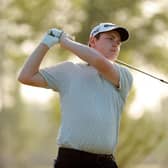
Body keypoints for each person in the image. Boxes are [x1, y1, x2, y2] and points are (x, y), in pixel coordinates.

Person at [18, 22, 133, 168]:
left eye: (118, 42)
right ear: (92, 41)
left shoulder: (123, 74)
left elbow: (98, 61)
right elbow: (26, 76)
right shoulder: (68, 70)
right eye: (110, 38)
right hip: (69, 160)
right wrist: (46, 43)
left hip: (104, 163)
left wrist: (65, 42)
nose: (115, 44)